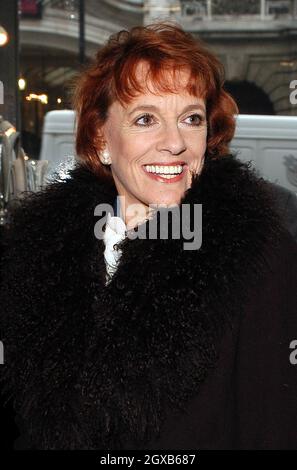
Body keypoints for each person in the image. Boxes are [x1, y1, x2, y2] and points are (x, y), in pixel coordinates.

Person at [0, 22, 297, 450]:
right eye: (145, 119)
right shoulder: (39, 254)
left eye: (190, 119)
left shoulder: (259, 257)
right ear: (102, 137)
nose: (174, 143)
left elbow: (275, 426)